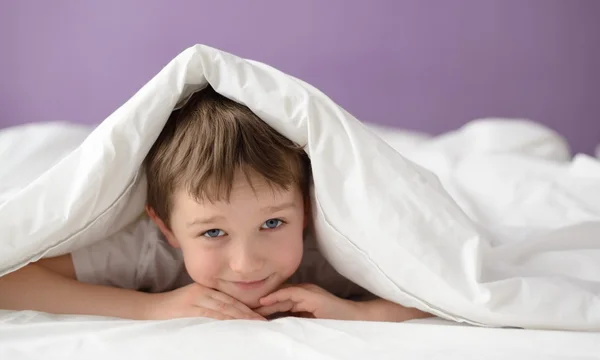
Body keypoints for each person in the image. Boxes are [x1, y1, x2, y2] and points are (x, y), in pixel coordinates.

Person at [0, 86, 431, 323]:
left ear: (305, 208)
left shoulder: (328, 250)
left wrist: (356, 312)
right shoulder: (146, 249)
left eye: (273, 223)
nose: (246, 264)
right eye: (212, 233)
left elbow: (435, 286)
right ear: (166, 227)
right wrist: (152, 307)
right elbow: (8, 280)